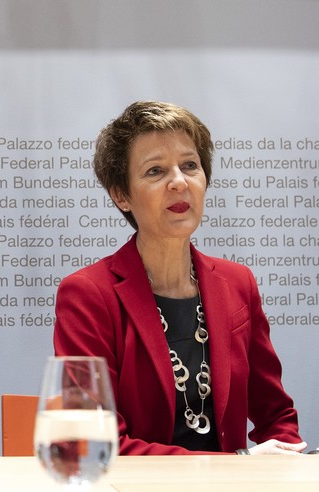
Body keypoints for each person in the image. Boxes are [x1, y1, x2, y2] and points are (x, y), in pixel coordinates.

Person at [53, 100, 306, 455]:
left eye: (190, 165)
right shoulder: (88, 294)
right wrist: (237, 464)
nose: (178, 182)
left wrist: (288, 463)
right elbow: (96, 443)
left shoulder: (237, 283)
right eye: (155, 171)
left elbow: (276, 414)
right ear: (121, 195)